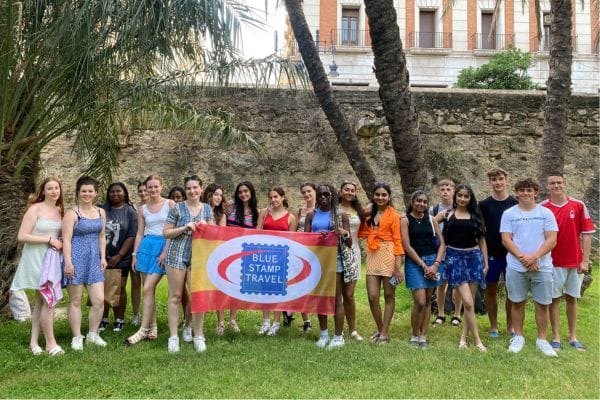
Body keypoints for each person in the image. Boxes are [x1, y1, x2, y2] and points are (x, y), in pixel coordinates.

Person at [500, 177, 558, 357]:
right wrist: (523, 258)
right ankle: (518, 337)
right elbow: (506, 239)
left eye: (529, 190)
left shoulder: (546, 213)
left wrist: (534, 257)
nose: (526, 193)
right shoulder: (509, 213)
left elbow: (551, 239)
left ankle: (542, 339)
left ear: (536, 193)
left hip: (542, 265)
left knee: (542, 304)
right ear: (516, 193)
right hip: (517, 266)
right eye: (522, 190)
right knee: (517, 302)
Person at [541, 173, 595, 352]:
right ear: (547, 186)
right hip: (553, 262)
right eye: (552, 183)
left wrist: (585, 260)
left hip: (575, 262)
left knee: (572, 298)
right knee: (554, 299)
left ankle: (573, 336)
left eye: (559, 182)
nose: (556, 186)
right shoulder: (542, 208)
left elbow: (587, 234)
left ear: (565, 184)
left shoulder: (578, 205)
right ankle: (556, 337)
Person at [11, 178, 64, 356]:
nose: (54, 191)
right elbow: (22, 236)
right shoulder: (35, 209)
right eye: (50, 188)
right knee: (49, 300)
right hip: (35, 258)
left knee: (41, 302)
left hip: (51, 261)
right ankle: (51, 343)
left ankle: (34, 343)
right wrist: (49, 240)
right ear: (43, 190)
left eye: (57, 188)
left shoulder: (60, 211)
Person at [163, 175, 214, 353]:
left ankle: (196, 333)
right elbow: (166, 233)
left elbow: (213, 234)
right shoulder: (177, 208)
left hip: (198, 256)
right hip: (177, 253)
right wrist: (185, 227)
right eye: (189, 188)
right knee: (175, 296)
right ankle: (173, 337)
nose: (192, 191)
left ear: (201, 189)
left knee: (197, 296)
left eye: (195, 188)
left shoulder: (207, 209)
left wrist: (205, 227)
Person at [126, 175, 175, 346]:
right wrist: (135, 254)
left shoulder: (170, 204)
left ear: (161, 186)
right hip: (146, 247)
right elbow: (140, 232)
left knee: (147, 288)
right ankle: (152, 326)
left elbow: (173, 229)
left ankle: (143, 329)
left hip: (163, 245)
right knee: (148, 291)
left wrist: (165, 251)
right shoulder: (142, 209)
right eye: (150, 187)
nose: (153, 190)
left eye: (156, 186)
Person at [441, 184, 488, 352]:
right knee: (467, 302)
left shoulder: (475, 215)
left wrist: (486, 263)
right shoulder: (447, 214)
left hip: (474, 258)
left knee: (470, 304)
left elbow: (482, 240)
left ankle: (463, 338)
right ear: (455, 197)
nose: (462, 199)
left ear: (470, 198)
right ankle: (477, 341)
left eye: (466, 196)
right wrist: (440, 241)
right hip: (455, 259)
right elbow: (431, 221)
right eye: (459, 195)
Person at [62, 176, 108, 351]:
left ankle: (93, 334)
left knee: (99, 300)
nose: (87, 194)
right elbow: (66, 240)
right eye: (84, 191)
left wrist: (102, 257)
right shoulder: (72, 214)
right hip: (76, 260)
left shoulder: (100, 212)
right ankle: (76, 336)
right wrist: (68, 262)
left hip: (94, 260)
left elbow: (102, 236)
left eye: (90, 191)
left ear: (95, 193)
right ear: (78, 193)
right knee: (75, 300)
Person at [305, 184, 351, 349]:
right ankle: (324, 334)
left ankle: (338, 337)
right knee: (320, 298)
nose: (323, 197)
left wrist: (344, 233)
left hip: (335, 259)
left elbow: (350, 242)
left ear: (333, 196)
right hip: (317, 260)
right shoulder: (311, 215)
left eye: (326, 194)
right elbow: (306, 239)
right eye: (320, 195)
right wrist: (318, 236)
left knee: (336, 298)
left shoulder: (341, 216)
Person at [358, 183, 404, 344]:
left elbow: (398, 241)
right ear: (373, 196)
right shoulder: (370, 213)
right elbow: (361, 232)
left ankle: (384, 332)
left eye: (384, 195)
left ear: (389, 197)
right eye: (377, 194)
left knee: (389, 295)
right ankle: (380, 328)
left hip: (390, 255)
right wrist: (364, 213)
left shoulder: (395, 216)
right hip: (373, 253)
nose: (380, 197)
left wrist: (398, 268)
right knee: (372, 296)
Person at [400, 190, 445, 348]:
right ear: (412, 202)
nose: (421, 204)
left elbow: (441, 244)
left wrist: (436, 264)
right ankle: (414, 334)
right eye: (418, 201)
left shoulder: (432, 220)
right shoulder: (405, 220)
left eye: (425, 202)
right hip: (415, 263)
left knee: (427, 302)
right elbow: (406, 245)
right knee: (419, 301)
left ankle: (423, 336)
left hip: (432, 261)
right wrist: (423, 265)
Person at [479, 168, 518, 338]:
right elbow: (481, 233)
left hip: (512, 255)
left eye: (500, 179)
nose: (498, 182)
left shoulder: (515, 204)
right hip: (492, 255)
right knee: (491, 290)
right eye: (494, 179)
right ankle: (494, 326)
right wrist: (484, 257)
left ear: (506, 180)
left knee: (512, 290)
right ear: (490, 182)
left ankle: (510, 326)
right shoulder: (484, 205)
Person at [256, 187, 298, 336]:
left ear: (282, 197)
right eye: (271, 197)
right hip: (264, 256)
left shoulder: (291, 217)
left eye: (276, 197)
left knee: (277, 291)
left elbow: (292, 241)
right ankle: (265, 321)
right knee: (264, 289)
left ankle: (276, 323)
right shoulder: (264, 213)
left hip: (281, 258)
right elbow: (257, 232)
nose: (273, 200)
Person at [99, 182, 137, 332]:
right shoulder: (101, 209)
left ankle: (119, 319)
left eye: (118, 191)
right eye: (112, 192)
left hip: (122, 257)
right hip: (102, 256)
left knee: (119, 288)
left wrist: (119, 255)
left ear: (124, 193)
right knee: (103, 287)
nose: (115, 194)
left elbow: (132, 235)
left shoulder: (130, 212)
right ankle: (103, 318)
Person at [224, 181, 260, 333]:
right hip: (227, 251)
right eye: (240, 192)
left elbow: (258, 234)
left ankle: (232, 320)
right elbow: (221, 226)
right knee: (222, 286)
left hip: (244, 255)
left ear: (251, 192)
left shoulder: (257, 212)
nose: (243, 194)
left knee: (236, 287)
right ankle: (220, 322)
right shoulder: (230, 208)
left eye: (245, 191)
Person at [430, 179, 463, 328]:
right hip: (440, 252)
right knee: (441, 284)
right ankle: (441, 313)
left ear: (453, 191)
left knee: (457, 285)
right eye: (442, 188)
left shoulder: (460, 208)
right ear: (439, 191)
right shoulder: (434, 209)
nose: (445, 191)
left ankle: (457, 314)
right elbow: (430, 229)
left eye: (448, 188)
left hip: (457, 250)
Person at [337, 181, 364, 341]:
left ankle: (352, 329)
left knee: (349, 294)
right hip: (336, 253)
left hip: (353, 252)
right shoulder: (334, 210)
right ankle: (337, 328)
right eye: (346, 189)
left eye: (352, 190)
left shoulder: (359, 211)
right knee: (337, 294)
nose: (349, 192)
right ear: (340, 192)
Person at [202, 183, 229, 335]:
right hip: (201, 252)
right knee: (202, 287)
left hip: (216, 254)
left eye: (220, 195)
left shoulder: (221, 215)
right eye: (216, 194)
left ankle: (221, 322)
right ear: (209, 195)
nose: (218, 197)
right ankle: (200, 321)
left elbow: (221, 234)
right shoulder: (199, 210)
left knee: (219, 287)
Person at [293, 182, 317, 332]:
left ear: (315, 191)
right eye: (304, 192)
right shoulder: (300, 211)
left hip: (317, 250)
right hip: (300, 250)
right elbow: (294, 230)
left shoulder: (322, 210)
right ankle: (306, 321)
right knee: (300, 285)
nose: (306, 194)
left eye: (309, 191)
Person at [130, 181, 148, 326]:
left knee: (147, 284)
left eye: (145, 191)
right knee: (136, 282)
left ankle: (148, 315)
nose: (143, 194)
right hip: (135, 245)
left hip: (150, 246)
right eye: (140, 191)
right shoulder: (134, 208)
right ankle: (136, 314)